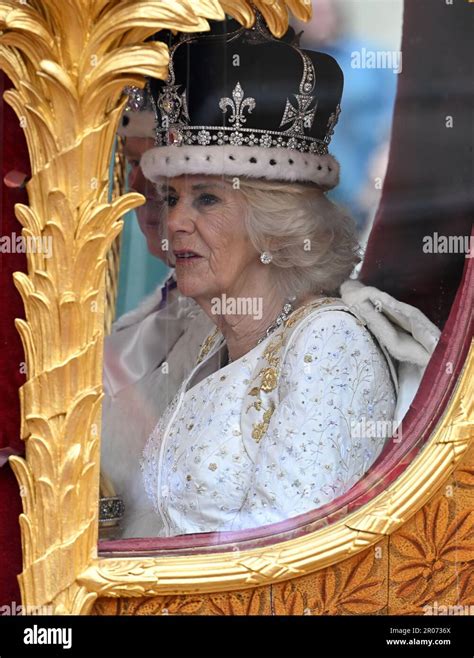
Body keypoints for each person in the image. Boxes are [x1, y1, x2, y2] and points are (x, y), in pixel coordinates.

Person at [129, 18, 438, 538]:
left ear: (274, 226)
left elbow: (281, 562)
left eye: (206, 198)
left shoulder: (328, 342)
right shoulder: (209, 340)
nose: (176, 220)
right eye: (172, 197)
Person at [100, 85, 214, 536]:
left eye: (164, 185)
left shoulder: (250, 324)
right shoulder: (162, 311)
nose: (137, 193)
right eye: (131, 168)